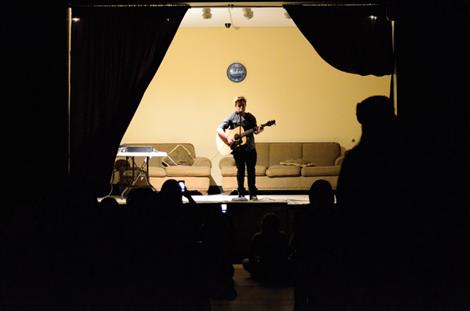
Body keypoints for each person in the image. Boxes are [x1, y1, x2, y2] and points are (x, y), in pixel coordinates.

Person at [217, 96, 262, 200]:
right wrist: (228, 138)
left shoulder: (250, 117)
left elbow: (256, 131)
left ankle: (253, 194)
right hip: (238, 150)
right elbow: (219, 129)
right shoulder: (231, 117)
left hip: (250, 148)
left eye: (243, 105)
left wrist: (259, 130)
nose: (241, 107)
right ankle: (241, 193)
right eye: (239, 106)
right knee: (240, 171)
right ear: (235, 107)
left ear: (245, 106)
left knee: (251, 171)